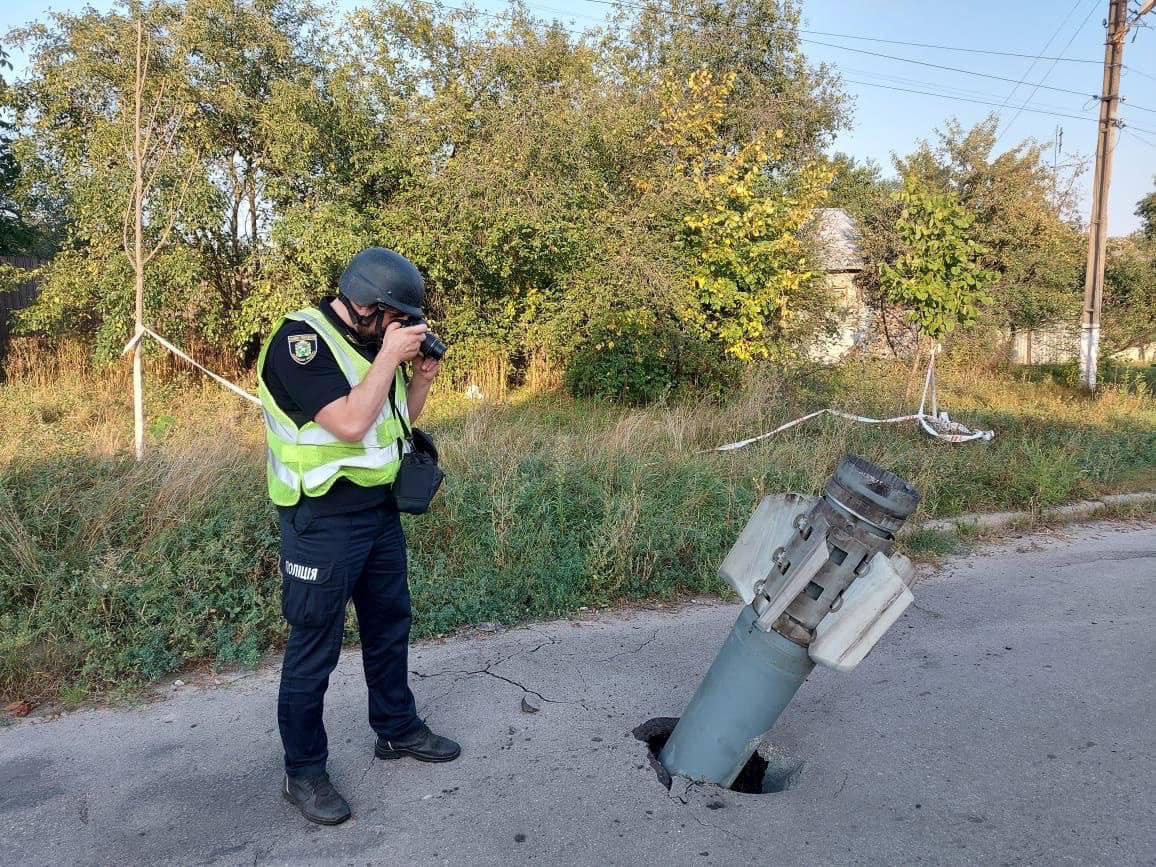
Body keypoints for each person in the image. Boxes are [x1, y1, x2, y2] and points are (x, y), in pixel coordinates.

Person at [257, 247, 460, 826]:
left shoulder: (375, 347)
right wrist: (389, 357)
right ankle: (304, 772)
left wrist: (417, 377)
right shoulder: (302, 342)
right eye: (399, 317)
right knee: (314, 646)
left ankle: (395, 730)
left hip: (379, 513)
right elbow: (347, 423)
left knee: (389, 625)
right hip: (320, 522)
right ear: (368, 305)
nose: (404, 328)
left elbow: (396, 422)